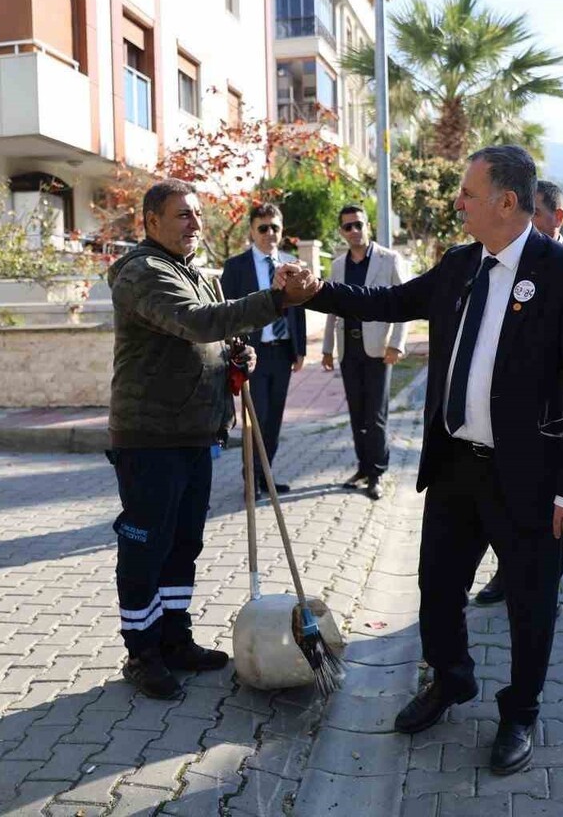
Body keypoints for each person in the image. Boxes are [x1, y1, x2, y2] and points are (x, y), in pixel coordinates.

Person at [284, 146, 563, 775]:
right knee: (437, 590)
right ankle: (450, 681)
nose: (456, 202)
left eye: (467, 193)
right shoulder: (460, 265)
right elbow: (386, 303)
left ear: (506, 203)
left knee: (530, 602)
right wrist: (317, 292)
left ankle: (520, 712)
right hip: (458, 466)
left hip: (533, 477)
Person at [106, 179, 315, 700]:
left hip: (195, 433)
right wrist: (274, 300)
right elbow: (196, 324)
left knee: (184, 543)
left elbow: (216, 339)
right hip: (149, 436)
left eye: (198, 215)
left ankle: (176, 638)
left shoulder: (198, 272)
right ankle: (143, 652)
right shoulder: (142, 273)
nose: (195, 225)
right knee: (145, 547)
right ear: (151, 223)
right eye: (182, 216)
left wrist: (235, 358)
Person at [473, 178, 563, 605]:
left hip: (551, 424)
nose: (528, 223)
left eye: (535, 214)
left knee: (542, 540)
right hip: (501, 424)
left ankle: (542, 591)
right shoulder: (500, 263)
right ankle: (507, 573)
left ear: (557, 217)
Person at [221, 203, 308, 498]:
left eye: (275, 227)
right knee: (254, 420)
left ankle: (265, 478)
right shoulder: (236, 267)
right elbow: (227, 313)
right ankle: (251, 481)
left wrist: (300, 350)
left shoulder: (291, 262)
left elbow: (299, 309)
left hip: (282, 353)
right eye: (263, 228)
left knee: (273, 421)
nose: (269, 233)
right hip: (252, 355)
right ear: (251, 231)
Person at [322, 205, 408, 501]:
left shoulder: (388, 259)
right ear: (341, 232)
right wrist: (326, 349)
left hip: (378, 348)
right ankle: (362, 466)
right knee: (357, 414)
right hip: (349, 347)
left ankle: (376, 474)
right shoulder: (337, 266)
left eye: (358, 224)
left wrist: (397, 344)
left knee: (376, 416)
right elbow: (332, 308)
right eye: (348, 227)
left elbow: (403, 303)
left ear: (367, 226)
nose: (354, 231)